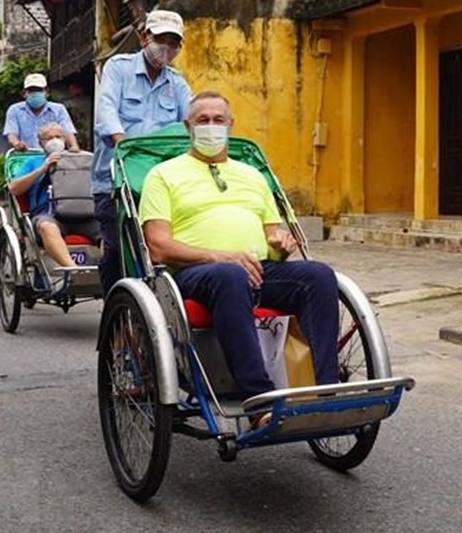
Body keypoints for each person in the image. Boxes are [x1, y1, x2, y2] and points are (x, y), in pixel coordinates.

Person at [139, 92, 339, 416]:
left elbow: (272, 233)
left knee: (318, 275)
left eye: (219, 120)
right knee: (231, 275)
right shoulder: (163, 175)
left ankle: (328, 392)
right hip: (194, 273)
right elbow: (159, 246)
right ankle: (260, 402)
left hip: (257, 268)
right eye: (203, 120)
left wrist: (281, 243)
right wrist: (219, 257)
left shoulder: (253, 176)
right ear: (188, 126)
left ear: (231, 125)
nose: (211, 126)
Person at [92, 9, 193, 295]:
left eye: (173, 43)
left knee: (163, 248)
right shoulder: (118, 68)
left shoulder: (177, 83)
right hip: (115, 181)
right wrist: (122, 142)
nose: (166, 48)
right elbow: (107, 110)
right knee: (115, 252)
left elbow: (192, 119)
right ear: (143, 37)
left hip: (160, 184)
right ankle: (114, 314)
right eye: (161, 39)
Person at [6, 123, 98, 288]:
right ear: (41, 143)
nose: (54, 141)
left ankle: (104, 273)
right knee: (47, 227)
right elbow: (14, 188)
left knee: (109, 230)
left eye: (58, 137)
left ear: (65, 139)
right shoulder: (33, 162)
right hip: (48, 215)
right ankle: (75, 272)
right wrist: (44, 168)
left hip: (83, 214)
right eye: (49, 138)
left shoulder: (80, 160)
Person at [3, 73, 79, 151]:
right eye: (31, 90)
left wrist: (74, 146)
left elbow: (68, 131)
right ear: (24, 93)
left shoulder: (58, 109)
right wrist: (17, 143)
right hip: (25, 155)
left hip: (53, 154)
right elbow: (11, 133)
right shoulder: (15, 110)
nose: (35, 93)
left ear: (46, 91)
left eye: (39, 90)